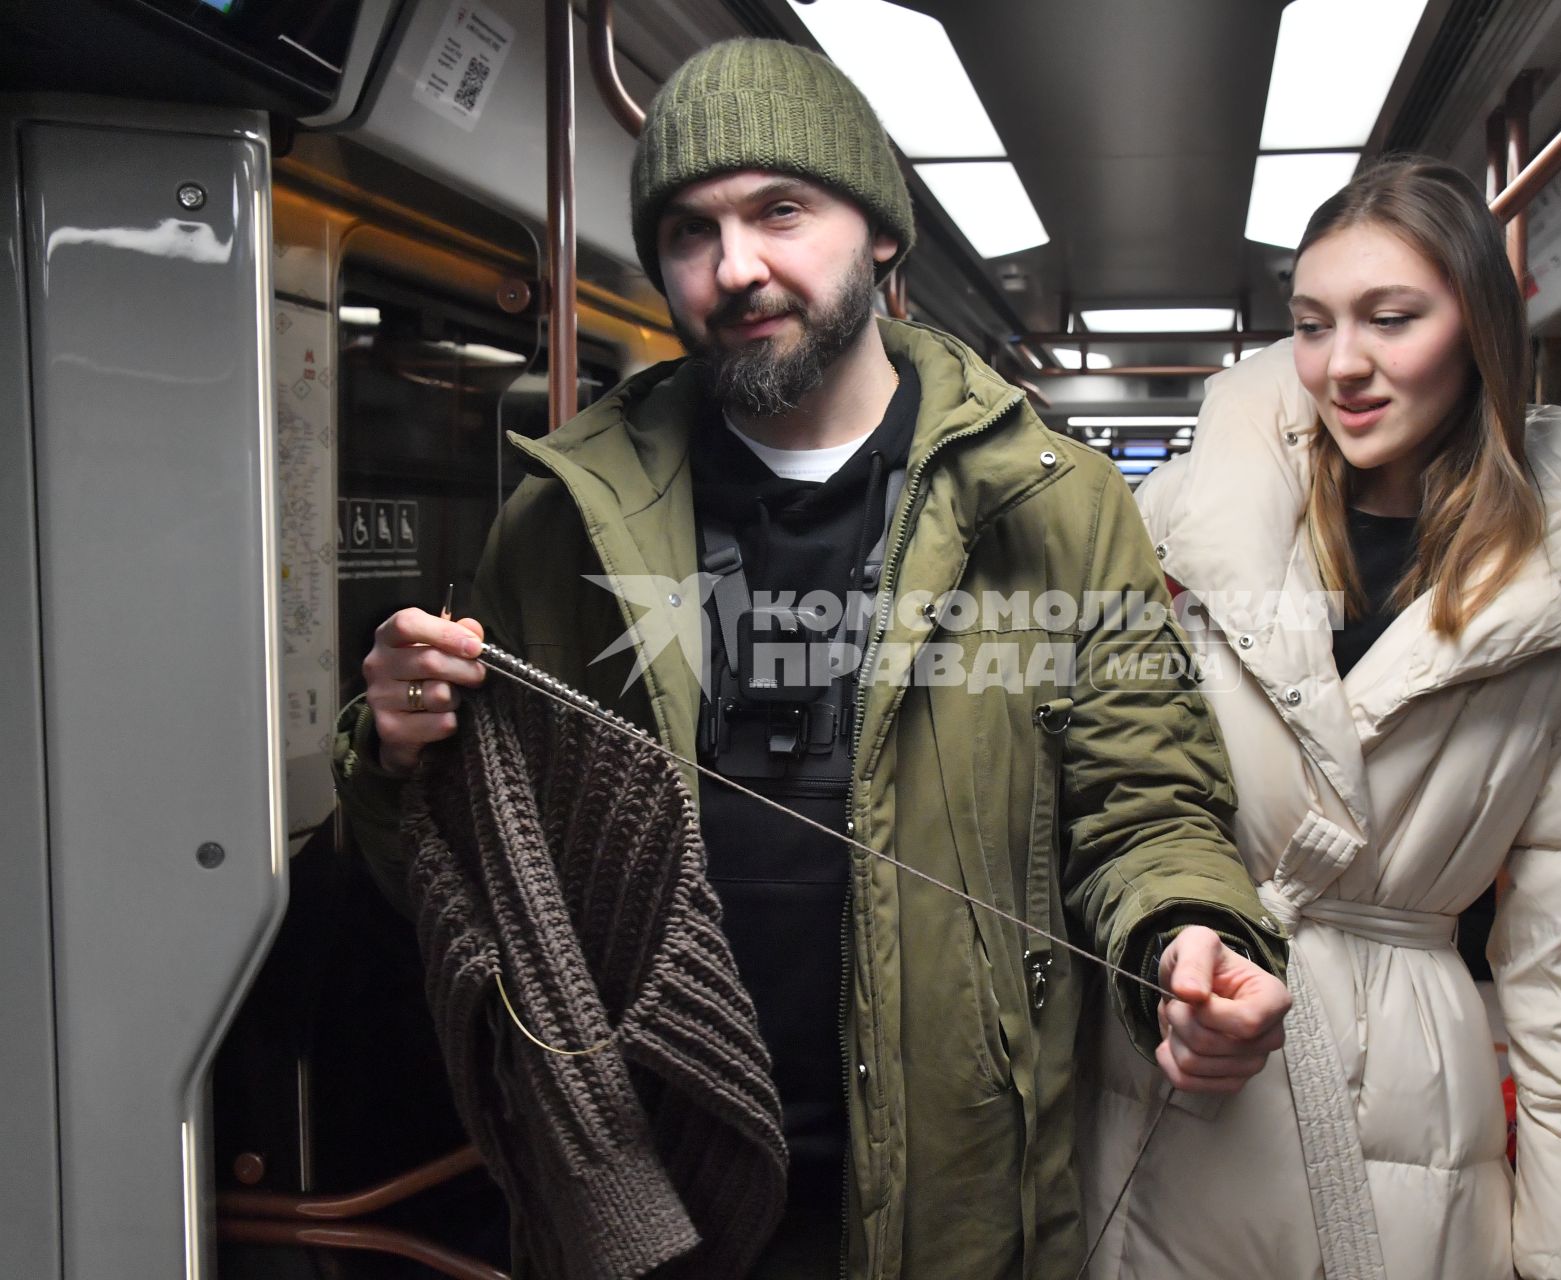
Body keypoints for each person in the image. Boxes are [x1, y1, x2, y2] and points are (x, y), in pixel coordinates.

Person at [331, 37, 1291, 1280]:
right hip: (641, 1182)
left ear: (881, 234)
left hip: (957, 1186)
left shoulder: (1049, 502)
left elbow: (1143, 792)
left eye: (781, 210)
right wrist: (400, 754)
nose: (736, 267)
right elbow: (480, 882)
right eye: (690, 230)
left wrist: (1189, 930)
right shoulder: (566, 517)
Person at [1082, 157, 1561, 1280]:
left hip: (1411, 1092)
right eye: (1311, 325)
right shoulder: (1179, 523)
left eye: (1392, 318)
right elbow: (1098, 789)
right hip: (1178, 1047)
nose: (1341, 365)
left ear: (1481, 334)